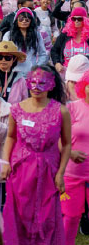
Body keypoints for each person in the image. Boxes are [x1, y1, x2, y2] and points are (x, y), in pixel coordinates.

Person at [1, 66, 71, 245]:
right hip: (21, 170)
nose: (36, 87)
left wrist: (61, 173)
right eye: (33, 82)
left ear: (51, 85)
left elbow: (67, 143)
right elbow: (10, 136)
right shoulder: (16, 109)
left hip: (48, 170)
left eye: (42, 83)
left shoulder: (61, 111)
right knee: (19, 212)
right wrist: (5, 162)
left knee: (46, 215)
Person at [61, 70, 89, 245]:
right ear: (84, 86)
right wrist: (70, 152)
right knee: (71, 217)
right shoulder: (72, 107)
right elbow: (58, 138)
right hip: (72, 174)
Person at [3, 7, 48, 77]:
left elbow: (42, 54)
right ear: (16, 20)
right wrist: (15, 58)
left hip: (31, 74)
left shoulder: (37, 35)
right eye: (21, 19)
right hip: (13, 72)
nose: (24, 21)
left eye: (27, 19)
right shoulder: (8, 35)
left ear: (31, 21)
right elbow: (4, 53)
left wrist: (36, 68)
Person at [51, 7, 89, 74]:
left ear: (85, 20)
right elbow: (54, 50)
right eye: (74, 19)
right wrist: (57, 63)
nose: (76, 21)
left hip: (85, 74)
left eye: (79, 19)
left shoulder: (88, 36)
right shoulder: (65, 35)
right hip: (66, 73)